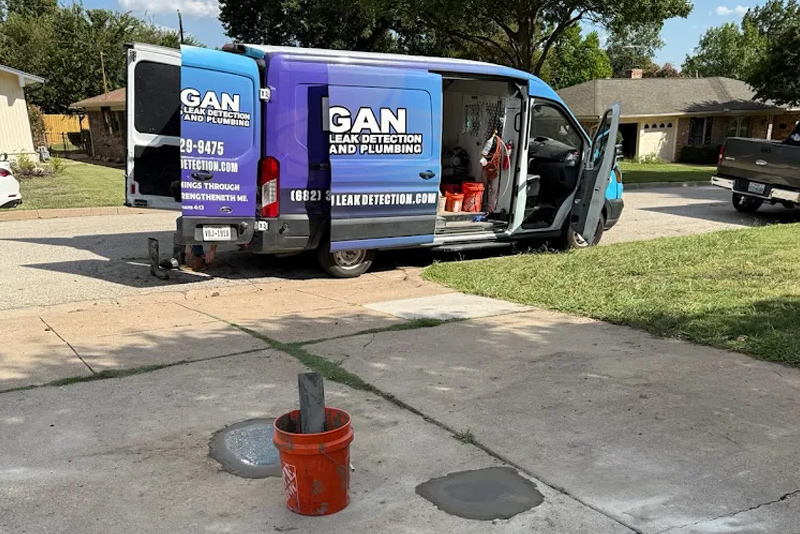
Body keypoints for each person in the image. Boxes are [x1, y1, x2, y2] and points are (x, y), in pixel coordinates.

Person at [169, 180, 217, 271]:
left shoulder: (205, 201)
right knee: (181, 221)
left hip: (212, 218)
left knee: (195, 225)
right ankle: (180, 256)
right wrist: (187, 245)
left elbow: (218, 226)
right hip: (200, 217)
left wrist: (212, 250)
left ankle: (198, 258)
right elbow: (188, 221)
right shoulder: (190, 201)